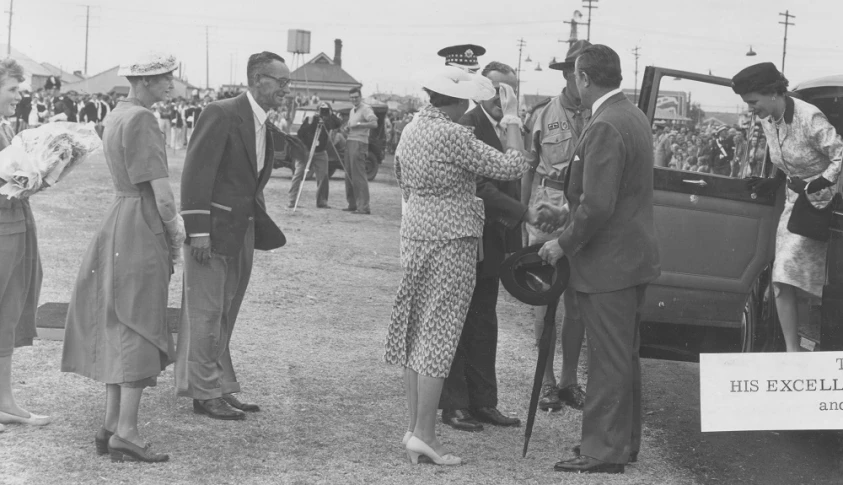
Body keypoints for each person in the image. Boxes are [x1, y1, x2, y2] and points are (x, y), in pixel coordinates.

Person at [385, 66, 529, 466]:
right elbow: (512, 166)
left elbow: (404, 183)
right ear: (462, 99)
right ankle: (426, 435)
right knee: (438, 337)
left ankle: (416, 428)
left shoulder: (412, 128)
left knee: (418, 334)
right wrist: (513, 116)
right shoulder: (452, 134)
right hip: (452, 239)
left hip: (417, 232)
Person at [537, 44, 661, 474]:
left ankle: (602, 451)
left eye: (575, 77)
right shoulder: (632, 115)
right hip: (628, 260)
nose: (574, 84)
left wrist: (563, 243)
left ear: (584, 78)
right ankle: (621, 442)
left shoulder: (606, 123)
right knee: (622, 356)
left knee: (607, 359)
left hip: (609, 265)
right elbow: (607, 197)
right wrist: (566, 213)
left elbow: (599, 206)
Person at [61, 53, 184, 463]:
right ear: (145, 81)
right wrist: (174, 234)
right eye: (165, 77)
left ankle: (111, 423)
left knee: (118, 317)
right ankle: (126, 432)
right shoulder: (144, 120)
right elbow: (162, 195)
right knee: (140, 321)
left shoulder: (117, 113)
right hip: (141, 221)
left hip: (118, 217)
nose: (171, 84)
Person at [175, 51, 287, 420]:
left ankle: (218, 385)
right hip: (213, 234)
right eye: (280, 81)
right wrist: (199, 232)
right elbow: (194, 174)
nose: (286, 89)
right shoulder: (221, 112)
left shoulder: (262, 122)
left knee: (225, 312)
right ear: (257, 79)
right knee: (206, 314)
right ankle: (204, 392)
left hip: (242, 232)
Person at [438, 61, 540, 432]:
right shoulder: (468, 125)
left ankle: (483, 402)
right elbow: (481, 185)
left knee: (484, 321)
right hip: (469, 239)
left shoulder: (511, 127)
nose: (503, 98)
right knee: (459, 322)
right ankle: (454, 405)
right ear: (481, 88)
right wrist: (523, 214)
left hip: (494, 241)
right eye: (497, 89)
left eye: (510, 89)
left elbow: (518, 176)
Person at [734, 62, 843, 352]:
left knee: (800, 279)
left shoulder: (809, 116)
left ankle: (811, 348)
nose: (751, 109)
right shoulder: (767, 120)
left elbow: (839, 152)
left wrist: (823, 182)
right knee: (782, 279)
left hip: (825, 204)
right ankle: (793, 354)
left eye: (753, 102)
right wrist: (775, 180)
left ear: (772, 93)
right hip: (796, 206)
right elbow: (784, 155)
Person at [521, 40, 591, 413]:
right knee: (544, 303)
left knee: (577, 302)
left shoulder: (601, 112)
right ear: (567, 74)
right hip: (548, 207)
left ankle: (569, 381)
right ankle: (546, 383)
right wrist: (523, 213)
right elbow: (528, 168)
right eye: (577, 71)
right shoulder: (543, 114)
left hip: (584, 211)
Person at [0, 59, 50, 435]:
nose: (20, 96)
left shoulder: (4, 126)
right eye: (13, 89)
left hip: (14, 225)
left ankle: (4, 402)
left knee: (8, 313)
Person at [289, 102, 341, 209]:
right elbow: (301, 133)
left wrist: (330, 114)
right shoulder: (310, 119)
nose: (323, 112)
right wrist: (312, 123)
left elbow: (338, 123)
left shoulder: (328, 121)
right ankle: (292, 201)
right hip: (306, 151)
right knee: (298, 174)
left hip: (321, 152)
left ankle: (322, 201)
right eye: (321, 110)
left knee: (323, 176)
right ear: (317, 111)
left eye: (325, 110)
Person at [343, 87, 377, 214]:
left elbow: (374, 123)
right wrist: (347, 128)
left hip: (360, 143)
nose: (354, 99)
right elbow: (352, 125)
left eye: (356, 97)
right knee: (349, 174)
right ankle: (352, 204)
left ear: (360, 97)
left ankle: (363, 207)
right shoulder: (353, 110)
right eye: (351, 97)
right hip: (350, 141)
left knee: (358, 175)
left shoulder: (366, 109)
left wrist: (358, 125)